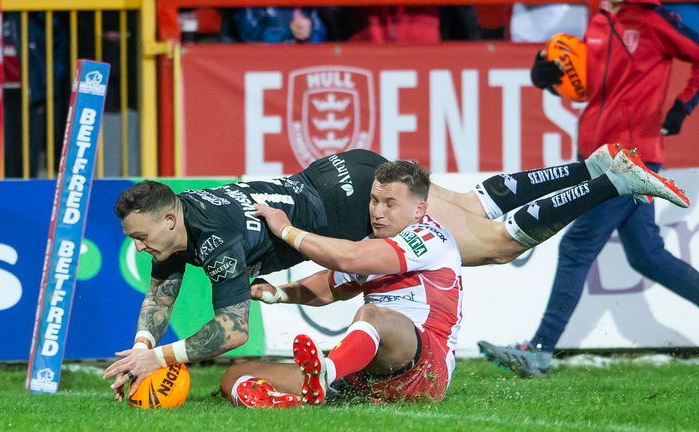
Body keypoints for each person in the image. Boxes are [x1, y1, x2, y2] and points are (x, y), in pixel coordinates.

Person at [102, 146, 687, 399]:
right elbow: (164, 284)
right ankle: (587, 167)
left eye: (140, 238)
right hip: (342, 172)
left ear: (170, 218)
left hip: (347, 205)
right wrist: (142, 343)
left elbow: (230, 331)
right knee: (475, 205)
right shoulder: (182, 219)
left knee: (491, 244)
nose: (139, 248)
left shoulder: (221, 238)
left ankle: (608, 182)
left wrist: (164, 357)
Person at [478, 0, 699, 378]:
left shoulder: (651, 19)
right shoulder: (597, 21)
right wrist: (548, 75)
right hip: (599, 155)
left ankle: (540, 352)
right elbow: (586, 86)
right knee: (646, 256)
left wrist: (683, 105)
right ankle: (540, 352)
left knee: (578, 246)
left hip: (630, 159)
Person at [220, 160, 462, 407]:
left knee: (372, 314)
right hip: (366, 370)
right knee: (235, 374)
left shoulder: (431, 238)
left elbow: (350, 258)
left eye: (390, 204)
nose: (378, 212)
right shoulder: (373, 242)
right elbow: (329, 287)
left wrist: (285, 230)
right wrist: (280, 293)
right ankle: (287, 399)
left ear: (419, 210)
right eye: (374, 200)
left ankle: (326, 375)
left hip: (427, 369)